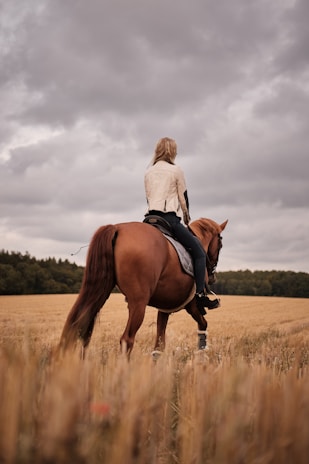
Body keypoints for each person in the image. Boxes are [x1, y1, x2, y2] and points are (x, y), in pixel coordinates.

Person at [144, 137, 220, 314]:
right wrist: (186, 218)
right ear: (172, 151)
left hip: (150, 219)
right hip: (169, 219)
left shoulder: (148, 172)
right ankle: (200, 295)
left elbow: (148, 197)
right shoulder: (176, 170)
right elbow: (183, 198)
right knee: (200, 253)